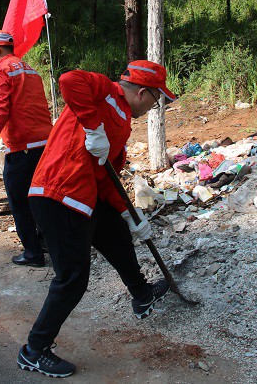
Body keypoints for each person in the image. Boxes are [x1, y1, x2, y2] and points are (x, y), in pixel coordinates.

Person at [16, 60, 177, 378]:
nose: (154, 107)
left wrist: (130, 215)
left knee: (117, 234)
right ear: (142, 93)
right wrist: (92, 126)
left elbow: (108, 177)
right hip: (57, 195)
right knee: (73, 277)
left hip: (86, 196)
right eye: (155, 100)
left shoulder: (124, 123)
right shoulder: (104, 91)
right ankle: (34, 351)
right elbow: (68, 79)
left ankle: (142, 296)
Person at [0, 30, 53, 267]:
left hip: (23, 147)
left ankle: (33, 254)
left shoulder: (0, 71)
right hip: (44, 143)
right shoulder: (30, 70)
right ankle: (47, 242)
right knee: (39, 198)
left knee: (19, 203)